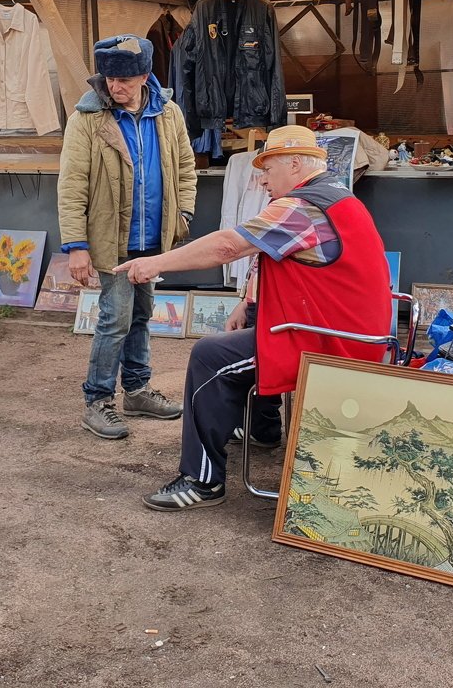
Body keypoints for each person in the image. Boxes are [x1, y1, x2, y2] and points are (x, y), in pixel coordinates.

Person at [115, 125, 392, 511]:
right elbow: (276, 259)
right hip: (352, 332)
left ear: (295, 164)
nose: (261, 180)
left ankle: (203, 481)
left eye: (269, 169)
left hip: (331, 343)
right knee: (254, 323)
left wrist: (154, 263)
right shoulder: (335, 196)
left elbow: (229, 246)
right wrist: (247, 299)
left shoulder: (301, 206)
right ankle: (262, 429)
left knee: (209, 356)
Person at [58, 34, 197, 440]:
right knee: (114, 319)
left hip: (154, 239)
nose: (116, 87)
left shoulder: (168, 113)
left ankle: (136, 391)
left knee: (140, 315)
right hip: (112, 240)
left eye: (126, 80)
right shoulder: (87, 118)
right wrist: (77, 246)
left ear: (145, 76)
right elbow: (72, 185)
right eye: (110, 79)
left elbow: (186, 166)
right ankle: (98, 402)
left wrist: (182, 216)